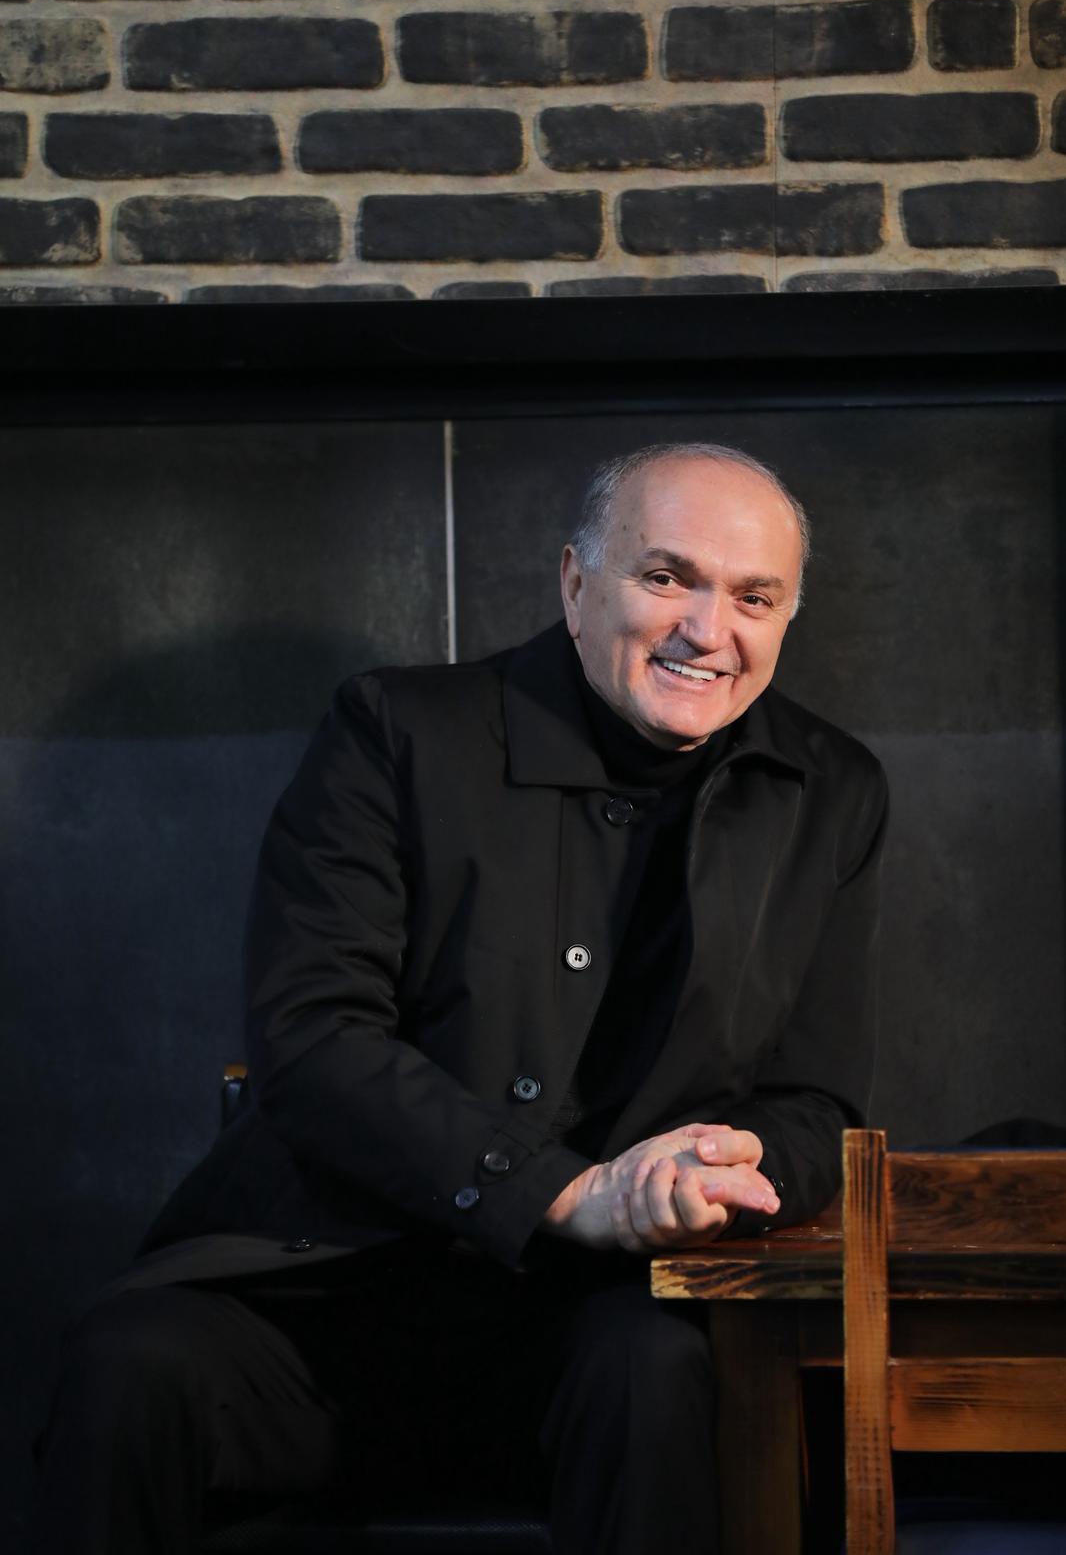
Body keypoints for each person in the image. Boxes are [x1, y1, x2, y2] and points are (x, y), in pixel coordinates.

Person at [32, 442, 888, 1555]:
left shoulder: (831, 789)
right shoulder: (396, 731)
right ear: (575, 583)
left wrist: (726, 1166)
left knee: (652, 1370)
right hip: (325, 1294)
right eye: (665, 577)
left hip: (594, 1322)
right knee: (127, 1369)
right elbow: (313, 1038)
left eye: (753, 598)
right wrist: (563, 1191)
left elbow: (816, 1103)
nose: (707, 629)